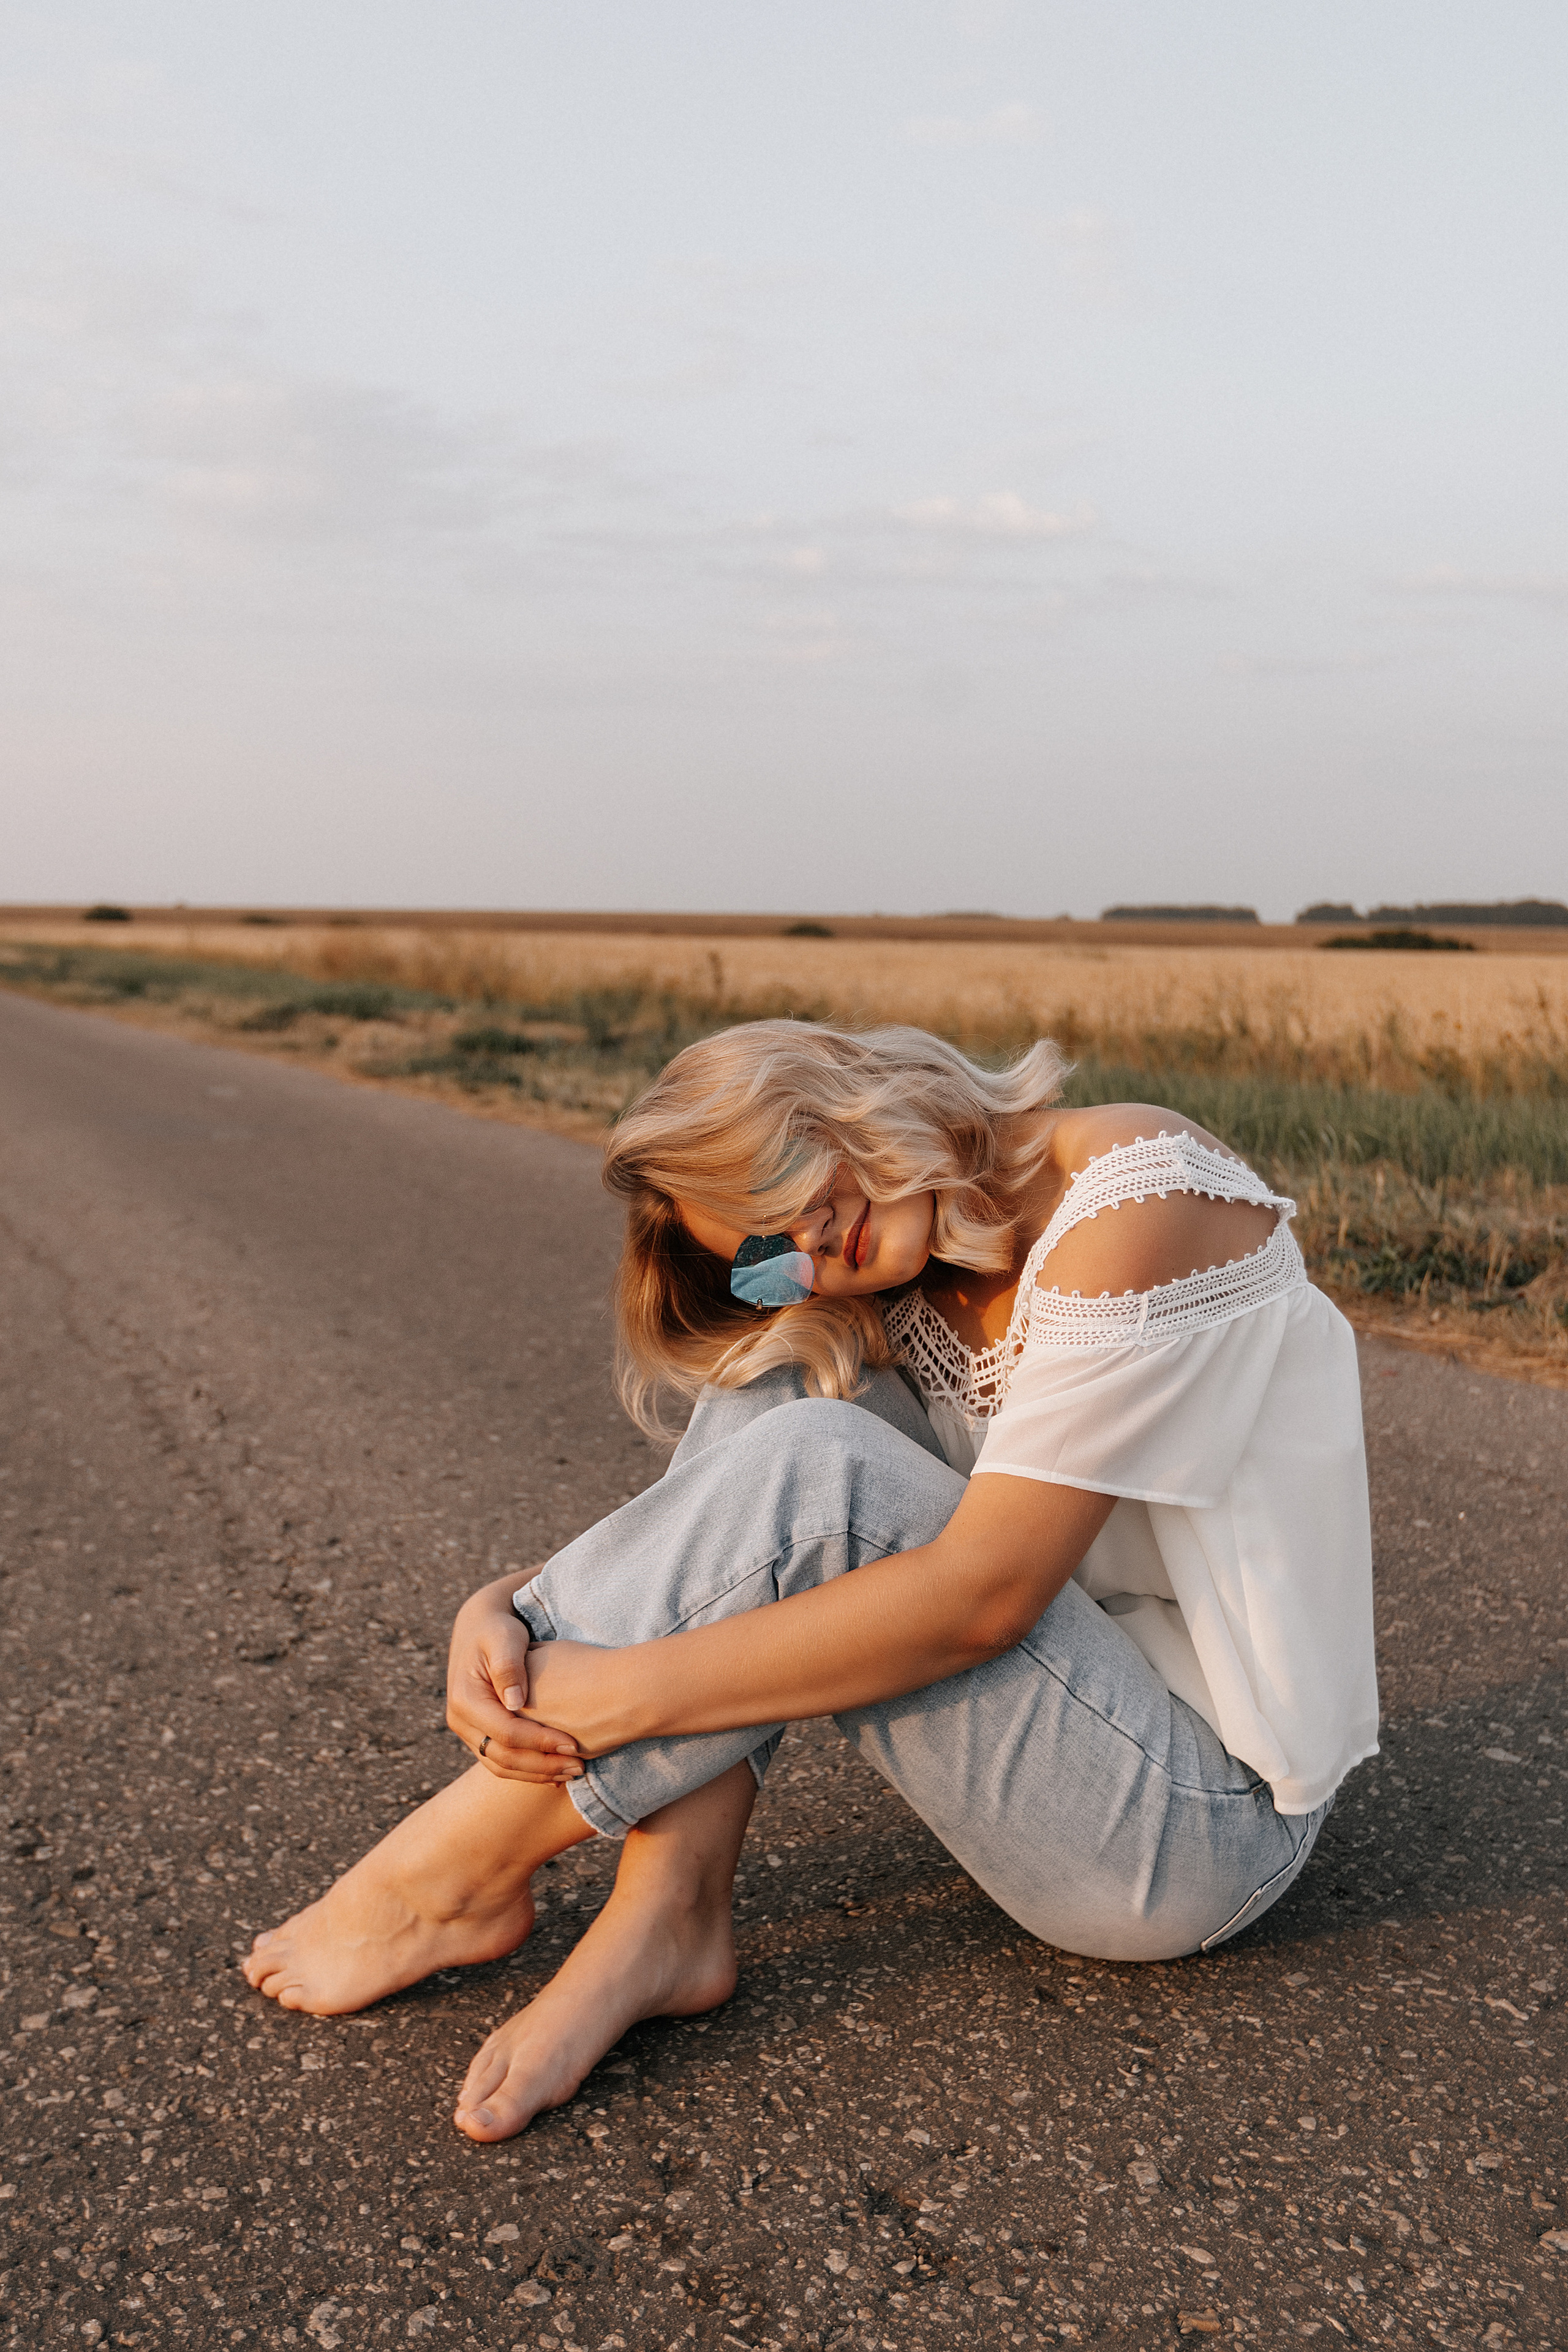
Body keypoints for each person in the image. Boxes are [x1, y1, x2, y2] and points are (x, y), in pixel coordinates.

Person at [243, 1023, 1378, 2144]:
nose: (809, 1237)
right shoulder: (904, 1268)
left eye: (790, 1180)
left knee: (824, 1466)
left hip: (1201, 1828)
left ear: (836, 1094)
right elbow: (738, 1525)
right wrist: (508, 1599)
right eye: (766, 1245)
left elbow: (986, 1593)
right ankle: (667, 1914)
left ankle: (455, 1867)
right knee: (785, 1386)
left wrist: (623, 1690)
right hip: (1078, 1735)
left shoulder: (1136, 1192)